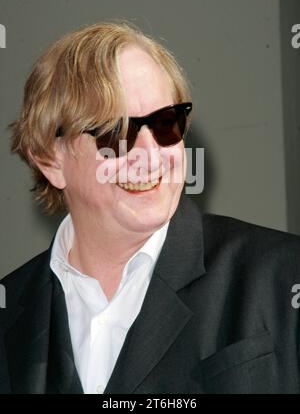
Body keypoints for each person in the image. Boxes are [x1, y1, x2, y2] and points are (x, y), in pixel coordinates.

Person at [1, 21, 300, 394]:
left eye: (165, 123)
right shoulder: (8, 308)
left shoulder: (282, 275)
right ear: (50, 158)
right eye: (116, 131)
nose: (149, 155)